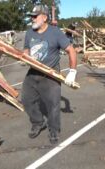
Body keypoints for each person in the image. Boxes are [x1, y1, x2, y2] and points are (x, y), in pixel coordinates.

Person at [22, 4, 77, 144]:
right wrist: (24, 56)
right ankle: (38, 122)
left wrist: (72, 72)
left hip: (51, 74)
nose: (32, 19)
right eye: (31, 17)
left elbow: (71, 50)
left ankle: (53, 130)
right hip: (33, 73)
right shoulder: (29, 33)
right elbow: (27, 48)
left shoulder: (55, 32)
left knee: (53, 105)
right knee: (27, 100)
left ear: (44, 17)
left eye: (35, 16)